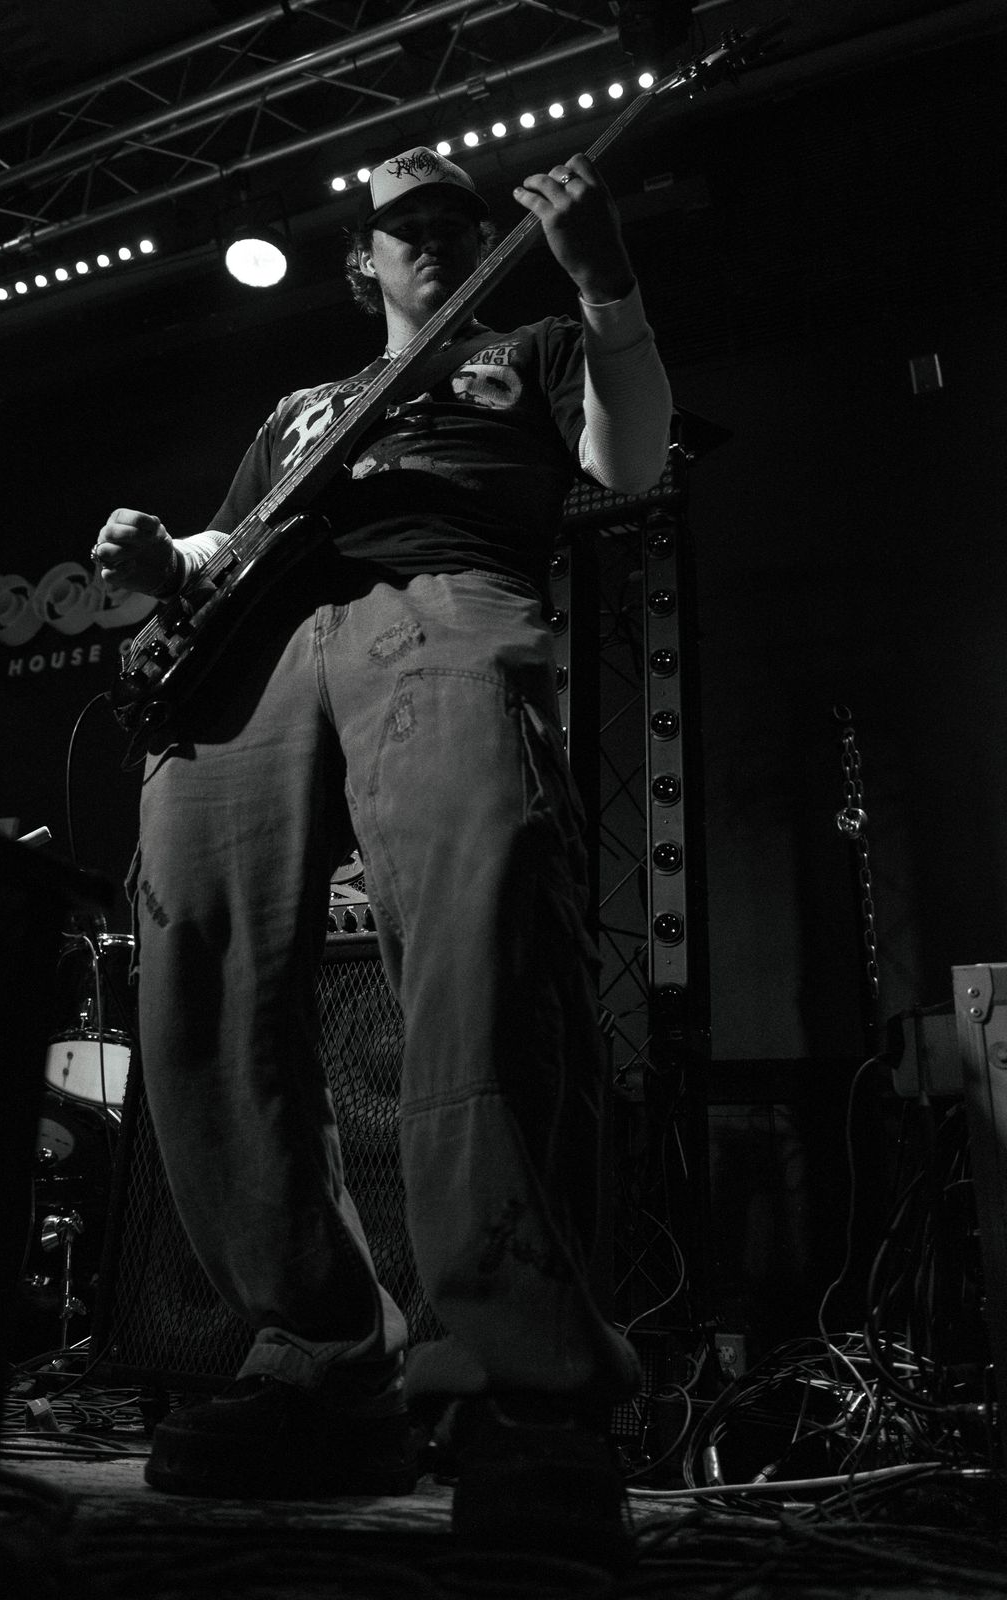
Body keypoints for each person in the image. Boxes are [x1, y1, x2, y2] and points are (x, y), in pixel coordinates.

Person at [92, 143, 672, 1559]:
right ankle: (322, 1352)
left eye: (452, 217)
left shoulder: (530, 350)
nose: (433, 234)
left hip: (445, 591)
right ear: (359, 258)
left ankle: (525, 1383)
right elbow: (229, 539)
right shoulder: (302, 405)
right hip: (252, 644)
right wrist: (163, 557)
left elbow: (631, 458)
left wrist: (605, 285)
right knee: (198, 979)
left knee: (476, 948)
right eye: (402, 221)